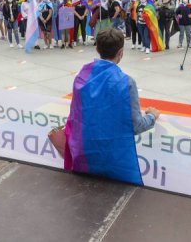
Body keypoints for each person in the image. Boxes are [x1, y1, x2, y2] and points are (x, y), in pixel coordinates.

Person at [64, 28, 160, 185]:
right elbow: (136, 126)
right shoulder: (126, 82)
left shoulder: (81, 77)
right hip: (115, 166)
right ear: (121, 52)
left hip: (83, 158)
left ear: (97, 49)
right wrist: (152, 116)